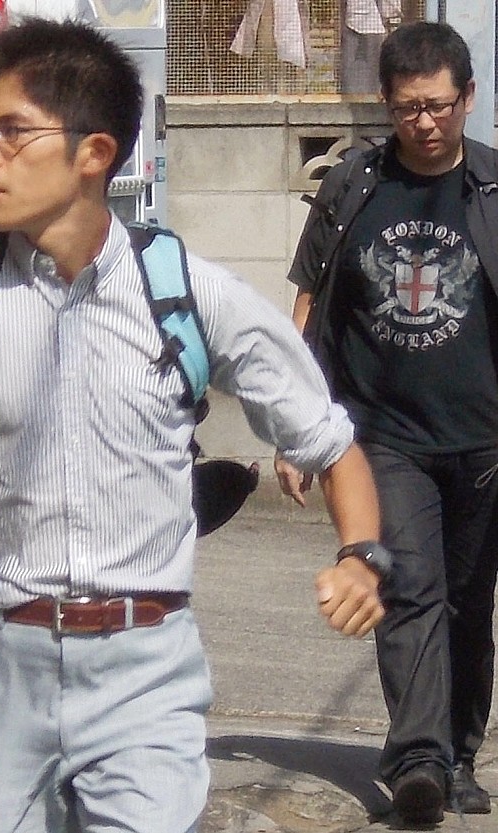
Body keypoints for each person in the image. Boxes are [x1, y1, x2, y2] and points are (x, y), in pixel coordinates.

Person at [0, 16, 385, 833]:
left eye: (12, 132)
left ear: (93, 152)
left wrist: (360, 557)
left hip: (145, 669)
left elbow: (331, 446)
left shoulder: (188, 295)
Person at [277, 20, 498, 826]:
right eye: (408, 108)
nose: (425, 122)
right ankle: (418, 763)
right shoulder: (353, 187)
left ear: (467, 97)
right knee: (408, 588)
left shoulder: (493, 187)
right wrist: (298, 427)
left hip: (483, 441)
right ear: (386, 103)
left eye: (438, 105)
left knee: (469, 605)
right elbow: (309, 303)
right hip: (382, 438)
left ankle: (460, 753)